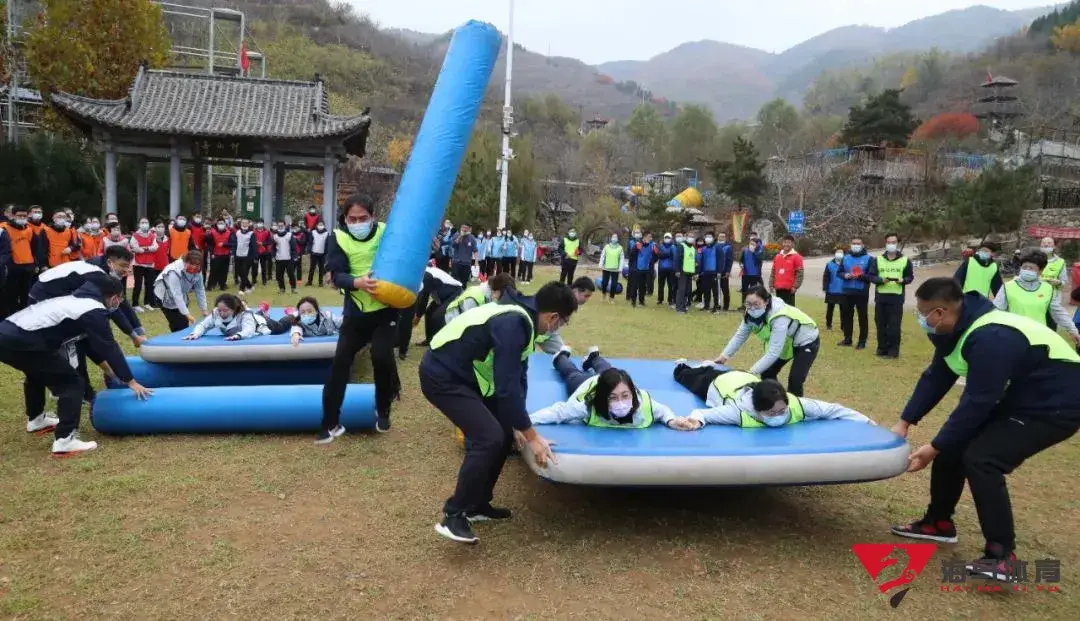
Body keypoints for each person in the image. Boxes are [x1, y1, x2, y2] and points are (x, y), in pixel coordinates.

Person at [888, 277, 1080, 580]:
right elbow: (936, 377)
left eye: (923, 313)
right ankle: (938, 523)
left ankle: (1002, 557)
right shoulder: (958, 330)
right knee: (953, 447)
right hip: (1023, 397)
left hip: (1057, 404)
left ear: (940, 312)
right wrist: (904, 422)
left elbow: (978, 401)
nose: (921, 319)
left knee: (983, 459)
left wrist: (933, 447)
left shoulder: (992, 336)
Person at [420, 282, 576, 544]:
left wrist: (518, 424)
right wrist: (533, 437)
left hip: (465, 375)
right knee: (488, 437)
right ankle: (454, 514)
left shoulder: (524, 318)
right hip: (442, 376)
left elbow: (519, 378)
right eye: (562, 323)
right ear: (553, 317)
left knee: (503, 433)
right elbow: (506, 389)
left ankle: (477, 504)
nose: (558, 329)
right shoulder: (514, 323)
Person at [0, 276, 152, 455]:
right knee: (72, 383)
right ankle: (65, 440)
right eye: (119, 298)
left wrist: (111, 370)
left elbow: (90, 343)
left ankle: (36, 420)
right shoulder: (92, 310)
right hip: (23, 341)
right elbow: (108, 346)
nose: (118, 303)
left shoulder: (75, 301)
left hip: (8, 335)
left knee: (36, 374)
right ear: (113, 297)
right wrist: (130, 381)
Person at [319, 194, 401, 442]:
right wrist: (358, 282)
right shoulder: (338, 237)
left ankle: (383, 407)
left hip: (386, 309)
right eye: (352, 219)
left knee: (381, 356)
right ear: (345, 219)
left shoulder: (386, 232)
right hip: (356, 310)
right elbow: (336, 275)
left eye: (362, 218)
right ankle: (330, 421)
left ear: (372, 216)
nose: (357, 223)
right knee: (340, 362)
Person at [672, 361, 874, 427]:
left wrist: (867, 422)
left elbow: (834, 410)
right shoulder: (738, 411)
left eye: (781, 411)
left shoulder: (796, 404)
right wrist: (696, 422)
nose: (779, 415)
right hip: (718, 384)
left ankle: (708, 366)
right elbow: (702, 413)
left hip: (745, 377)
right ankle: (693, 365)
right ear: (757, 409)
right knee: (683, 375)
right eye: (772, 413)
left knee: (711, 370)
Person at [532, 346, 690, 429]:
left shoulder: (644, 404)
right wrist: (525, 424)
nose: (621, 402)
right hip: (588, 384)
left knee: (608, 370)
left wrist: (671, 420)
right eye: (612, 398)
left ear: (632, 393)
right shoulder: (588, 406)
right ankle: (560, 357)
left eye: (625, 396)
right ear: (602, 399)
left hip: (611, 379)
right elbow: (558, 412)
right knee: (572, 374)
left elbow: (663, 412)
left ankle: (594, 358)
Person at [715, 285, 820, 397]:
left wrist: (751, 373)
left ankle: (796, 405)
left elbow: (774, 352)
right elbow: (740, 335)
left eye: (756, 304)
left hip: (806, 340)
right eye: (748, 304)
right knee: (767, 372)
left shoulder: (779, 316)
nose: (752, 308)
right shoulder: (749, 313)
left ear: (766, 302)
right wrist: (724, 355)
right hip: (786, 341)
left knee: (795, 380)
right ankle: (777, 400)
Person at [993, 251, 1080, 346]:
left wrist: (1073, 331)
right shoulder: (1008, 287)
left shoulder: (1047, 288)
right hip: (1014, 337)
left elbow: (1058, 312)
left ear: (1040, 271)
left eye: (1031, 268)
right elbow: (996, 312)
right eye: (1024, 267)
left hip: (1039, 338)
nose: (1027, 270)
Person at [869, 233, 915, 358]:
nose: (891, 244)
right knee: (881, 324)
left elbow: (910, 277)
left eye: (893, 242)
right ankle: (882, 349)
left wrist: (903, 280)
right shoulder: (878, 259)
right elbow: (871, 276)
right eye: (889, 242)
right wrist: (880, 280)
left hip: (896, 298)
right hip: (881, 297)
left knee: (894, 326)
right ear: (885, 243)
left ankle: (893, 351)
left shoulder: (905, 260)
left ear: (897, 243)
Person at [184, 293, 281, 341]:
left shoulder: (244, 315)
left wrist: (239, 335)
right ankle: (262, 310)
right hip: (252, 318)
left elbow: (249, 329)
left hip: (263, 324)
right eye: (220, 310)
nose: (222, 313)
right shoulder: (216, 313)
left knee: (282, 325)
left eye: (225, 310)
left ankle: (289, 315)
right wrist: (196, 334)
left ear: (234, 309)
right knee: (254, 315)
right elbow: (203, 325)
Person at [154, 250, 209, 332]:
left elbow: (200, 289)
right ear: (185, 262)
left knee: (183, 324)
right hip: (165, 296)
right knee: (179, 324)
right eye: (191, 264)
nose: (194, 267)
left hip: (181, 294)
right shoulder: (174, 271)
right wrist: (188, 315)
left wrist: (204, 309)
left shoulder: (198, 270)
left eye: (197, 265)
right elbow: (177, 295)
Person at [414, 265, 466, 344]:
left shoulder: (426, 275)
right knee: (429, 313)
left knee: (438, 316)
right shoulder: (425, 272)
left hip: (454, 293)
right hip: (443, 295)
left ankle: (440, 342)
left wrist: (417, 317)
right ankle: (430, 340)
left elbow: (424, 298)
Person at [1, 206, 37, 317]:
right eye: (19, 215)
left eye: (24, 216)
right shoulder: (4, 228)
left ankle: (24, 315)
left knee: (25, 292)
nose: (22, 218)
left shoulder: (29, 229)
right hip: (12, 266)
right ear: (12, 216)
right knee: (10, 293)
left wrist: (35, 264)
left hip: (28, 266)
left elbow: (35, 247)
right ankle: (10, 315)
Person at [838, 236, 872, 349]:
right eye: (854, 243)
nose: (855, 245)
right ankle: (847, 339)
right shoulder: (845, 258)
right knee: (847, 316)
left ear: (862, 245)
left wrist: (860, 276)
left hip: (861, 292)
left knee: (862, 317)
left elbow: (871, 276)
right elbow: (839, 272)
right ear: (850, 245)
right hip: (847, 291)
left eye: (858, 244)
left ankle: (862, 341)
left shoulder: (869, 259)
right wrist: (845, 275)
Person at [443, 273, 514, 325]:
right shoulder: (474, 298)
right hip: (448, 322)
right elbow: (467, 323)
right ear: (496, 291)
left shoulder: (487, 295)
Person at [129, 217, 159, 310]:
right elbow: (135, 248)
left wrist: (144, 248)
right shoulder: (135, 235)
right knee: (138, 285)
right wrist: (148, 248)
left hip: (150, 263)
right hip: (138, 264)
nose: (144, 224)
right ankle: (135, 304)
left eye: (146, 222)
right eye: (142, 222)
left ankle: (147, 303)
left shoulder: (152, 235)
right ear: (139, 224)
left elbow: (155, 247)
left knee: (149, 284)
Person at [769, 235, 803, 305]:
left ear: (792, 244)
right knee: (779, 308)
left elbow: (799, 273)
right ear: (782, 243)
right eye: (785, 242)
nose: (786, 244)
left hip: (789, 289)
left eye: (788, 242)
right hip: (778, 288)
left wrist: (795, 286)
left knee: (789, 309)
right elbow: (773, 271)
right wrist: (771, 285)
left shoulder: (797, 257)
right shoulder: (777, 256)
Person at [270, 220, 298, 294]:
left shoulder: (289, 235)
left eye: (282, 225)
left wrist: (295, 256)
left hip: (289, 258)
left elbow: (294, 247)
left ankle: (293, 288)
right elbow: (273, 248)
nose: (280, 227)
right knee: (279, 275)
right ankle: (282, 289)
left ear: (285, 226)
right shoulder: (275, 236)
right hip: (279, 259)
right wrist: (273, 256)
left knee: (291, 275)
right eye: (279, 226)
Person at [822, 248, 845, 331]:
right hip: (831, 290)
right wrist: (825, 287)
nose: (839, 254)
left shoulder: (846, 264)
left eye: (841, 253)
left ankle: (843, 326)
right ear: (835, 254)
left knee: (843, 310)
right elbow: (825, 277)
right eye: (838, 252)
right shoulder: (829, 264)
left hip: (843, 291)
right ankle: (828, 325)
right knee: (830, 309)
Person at [674, 232, 696, 314]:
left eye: (693, 237)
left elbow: (693, 261)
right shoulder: (681, 246)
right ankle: (679, 308)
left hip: (689, 272)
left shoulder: (693, 248)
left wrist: (694, 273)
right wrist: (677, 270)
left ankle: (683, 306)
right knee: (681, 290)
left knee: (687, 291)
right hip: (682, 272)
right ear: (686, 237)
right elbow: (677, 259)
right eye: (690, 236)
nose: (691, 238)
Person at [599, 233, 624, 302]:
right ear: (611, 238)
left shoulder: (620, 248)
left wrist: (621, 268)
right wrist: (601, 263)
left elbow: (622, 258)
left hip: (615, 269)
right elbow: (603, 255)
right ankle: (604, 294)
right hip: (606, 268)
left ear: (617, 239)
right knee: (604, 283)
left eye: (616, 237)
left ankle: (611, 298)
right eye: (613, 237)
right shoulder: (606, 247)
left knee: (614, 285)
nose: (614, 238)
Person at [306, 220, 330, 287]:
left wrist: (326, 253)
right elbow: (310, 242)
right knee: (312, 268)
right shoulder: (313, 232)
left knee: (321, 269)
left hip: (322, 254)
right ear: (316, 225)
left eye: (322, 225)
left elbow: (327, 244)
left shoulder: (326, 233)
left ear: (324, 225)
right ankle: (309, 282)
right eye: (319, 224)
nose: (320, 226)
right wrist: (309, 251)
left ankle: (320, 283)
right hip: (314, 253)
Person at [655, 233, 676, 306]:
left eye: (668, 238)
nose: (667, 239)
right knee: (661, 285)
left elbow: (674, 256)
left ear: (671, 238)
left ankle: (670, 300)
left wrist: (665, 254)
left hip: (671, 269)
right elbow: (659, 255)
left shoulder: (673, 246)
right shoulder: (660, 246)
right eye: (666, 237)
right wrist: (668, 253)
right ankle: (660, 299)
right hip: (661, 268)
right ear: (664, 238)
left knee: (671, 285)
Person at [717, 232, 733, 312]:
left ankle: (726, 306)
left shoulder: (728, 247)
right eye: (720, 236)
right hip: (716, 272)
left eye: (723, 236)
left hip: (724, 272)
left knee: (725, 290)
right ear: (718, 237)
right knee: (716, 290)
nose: (721, 238)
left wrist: (728, 271)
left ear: (725, 238)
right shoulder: (715, 246)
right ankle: (717, 305)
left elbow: (730, 260)